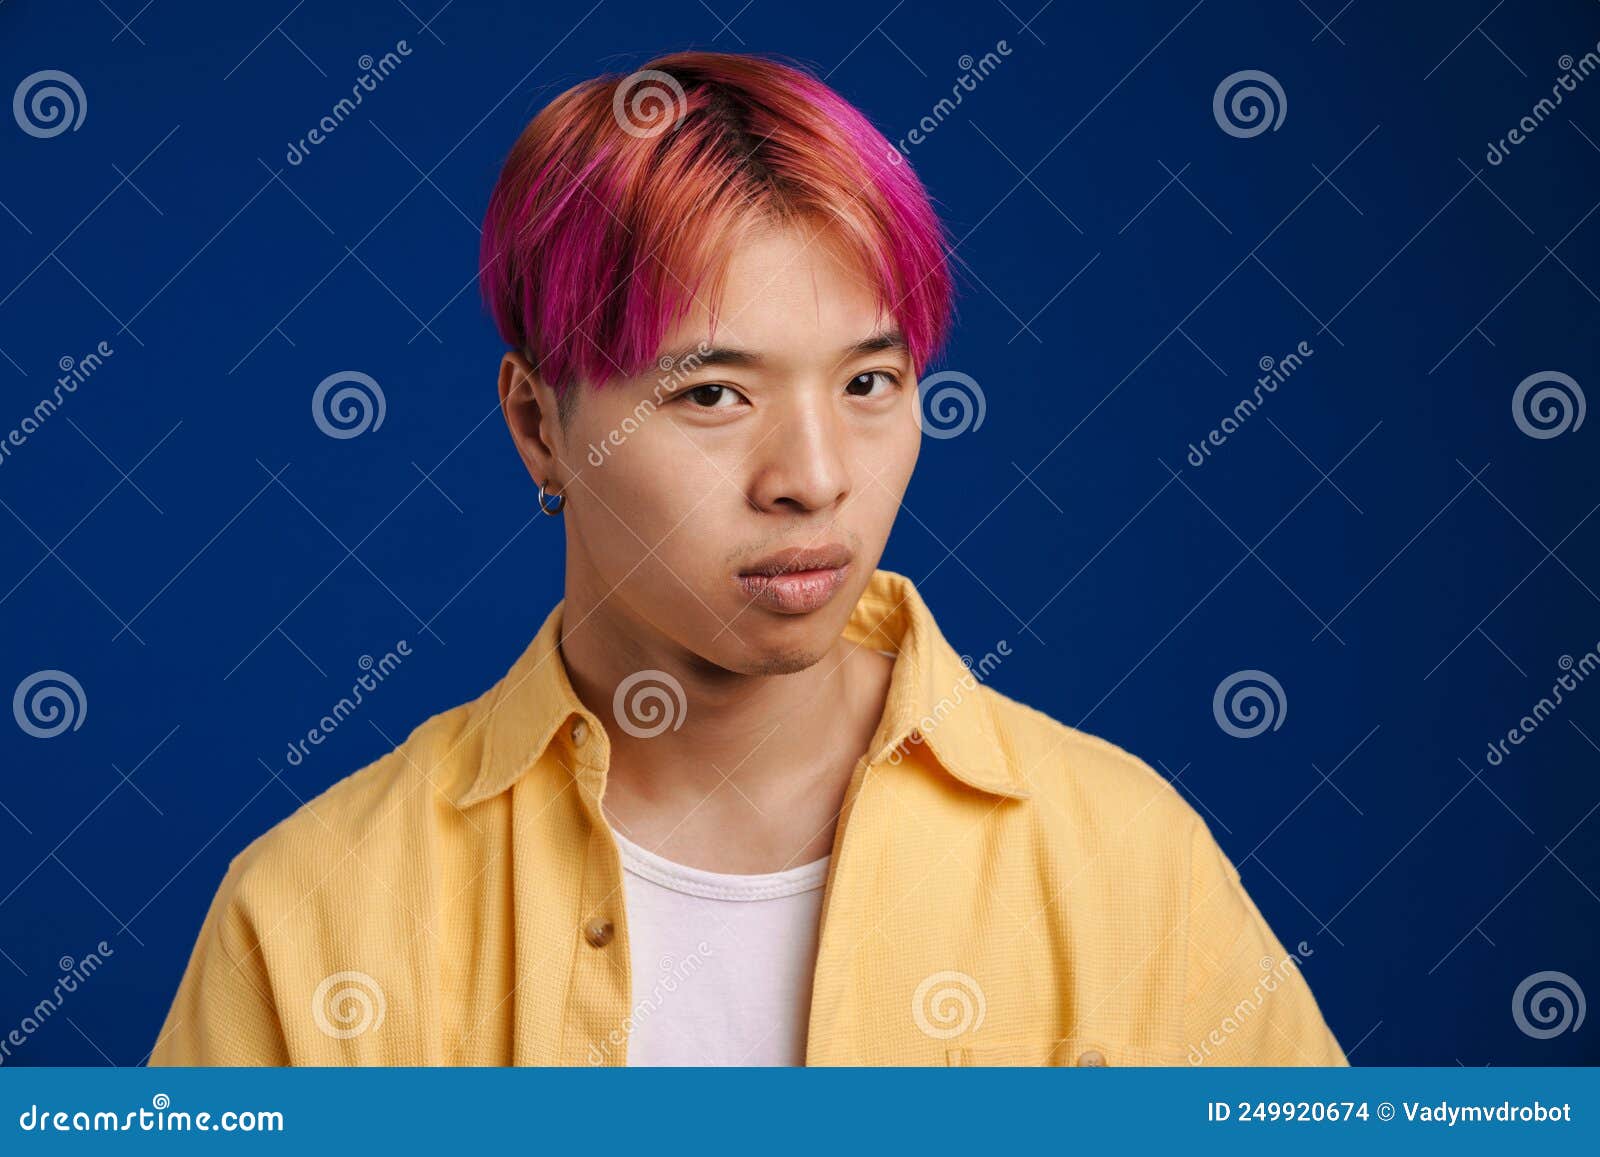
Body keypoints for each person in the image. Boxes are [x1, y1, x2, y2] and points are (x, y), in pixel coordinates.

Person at [150, 50, 1345, 1067]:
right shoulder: (310, 918)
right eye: (714, 392)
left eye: (870, 382)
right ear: (537, 424)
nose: (813, 477)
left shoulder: (1127, 861)